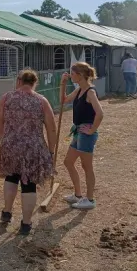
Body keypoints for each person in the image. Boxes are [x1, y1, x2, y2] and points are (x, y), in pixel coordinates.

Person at [0, 70, 56, 235]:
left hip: (11, 145)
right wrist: (51, 151)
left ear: (19, 81)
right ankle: (26, 223)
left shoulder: (6, 98)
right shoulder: (41, 101)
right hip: (32, 148)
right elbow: (51, 127)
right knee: (29, 184)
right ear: (34, 83)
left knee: (11, 176)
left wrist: (5, 138)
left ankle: (6, 212)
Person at [60, 62, 104, 210]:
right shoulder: (79, 90)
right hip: (78, 132)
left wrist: (92, 130)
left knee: (87, 166)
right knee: (68, 162)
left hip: (86, 135)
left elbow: (100, 113)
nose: (70, 75)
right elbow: (64, 100)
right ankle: (78, 195)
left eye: (72, 73)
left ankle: (90, 199)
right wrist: (63, 85)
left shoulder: (90, 92)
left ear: (80, 75)